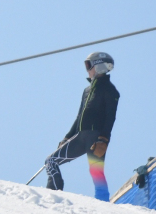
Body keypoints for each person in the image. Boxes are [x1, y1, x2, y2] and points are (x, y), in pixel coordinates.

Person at [46, 51, 120, 201]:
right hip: (79, 137)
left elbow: (110, 117)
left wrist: (104, 138)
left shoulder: (110, 90)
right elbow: (79, 117)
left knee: (95, 170)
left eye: (88, 65)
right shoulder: (87, 90)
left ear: (99, 66)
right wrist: (67, 137)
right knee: (51, 161)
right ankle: (54, 193)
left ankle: (103, 201)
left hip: (95, 137)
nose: (87, 69)